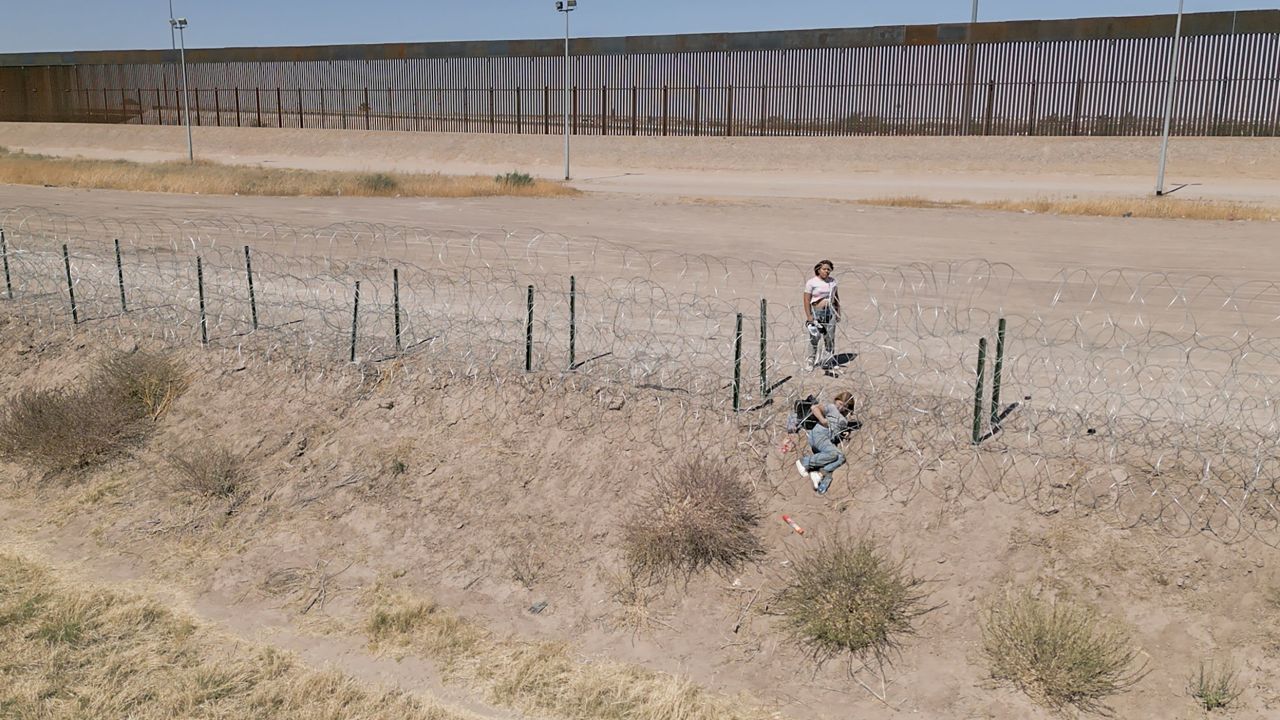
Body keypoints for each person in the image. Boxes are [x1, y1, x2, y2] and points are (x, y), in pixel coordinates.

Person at [794, 391, 855, 495]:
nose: (841, 408)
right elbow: (814, 408)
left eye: (845, 406)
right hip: (820, 434)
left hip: (826, 441)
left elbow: (836, 430)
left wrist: (843, 434)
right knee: (834, 454)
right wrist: (822, 420)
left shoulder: (844, 421)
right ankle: (804, 462)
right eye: (840, 404)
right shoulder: (832, 408)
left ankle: (819, 474)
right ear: (836, 401)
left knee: (841, 457)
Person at [803, 260, 840, 370]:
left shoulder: (832, 282)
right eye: (824, 269)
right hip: (816, 313)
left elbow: (836, 297)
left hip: (830, 312)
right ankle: (811, 360)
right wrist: (809, 316)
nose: (827, 271)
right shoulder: (811, 282)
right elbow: (806, 300)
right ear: (818, 269)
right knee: (815, 337)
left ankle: (828, 360)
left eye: (829, 269)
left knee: (830, 337)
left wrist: (838, 312)